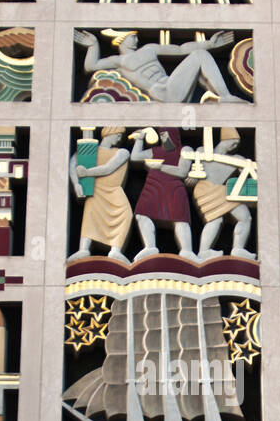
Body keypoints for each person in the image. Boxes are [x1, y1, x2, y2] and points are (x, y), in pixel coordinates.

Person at [74, 27, 250, 104]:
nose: (136, 39)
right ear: (121, 40)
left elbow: (180, 49)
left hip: (170, 86)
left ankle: (221, 97)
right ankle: (224, 96)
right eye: (132, 36)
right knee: (200, 57)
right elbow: (91, 66)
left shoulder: (149, 49)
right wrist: (93, 45)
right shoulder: (118, 62)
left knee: (200, 55)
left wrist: (209, 45)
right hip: (160, 93)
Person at [188, 128, 256, 260]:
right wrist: (190, 178)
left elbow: (249, 172)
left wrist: (247, 166)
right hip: (205, 188)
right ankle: (204, 251)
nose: (234, 145)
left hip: (222, 190)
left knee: (245, 217)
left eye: (237, 144)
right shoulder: (203, 151)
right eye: (232, 141)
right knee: (215, 219)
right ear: (223, 140)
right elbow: (193, 171)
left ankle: (238, 249)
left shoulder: (237, 159)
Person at [68, 127, 132, 264]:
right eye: (118, 134)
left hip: (113, 191)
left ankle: (115, 250)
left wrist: (86, 173)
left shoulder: (122, 152)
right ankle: (83, 249)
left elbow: (109, 168)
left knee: (126, 214)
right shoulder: (90, 150)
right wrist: (76, 184)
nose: (120, 138)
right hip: (96, 190)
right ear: (109, 133)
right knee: (90, 216)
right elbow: (73, 163)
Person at [129, 127, 194, 260]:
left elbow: (182, 171)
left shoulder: (184, 150)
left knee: (180, 218)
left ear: (175, 136)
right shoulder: (156, 150)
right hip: (153, 185)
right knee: (141, 214)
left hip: (174, 187)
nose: (164, 138)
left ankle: (187, 251)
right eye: (162, 135)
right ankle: (150, 247)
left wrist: (161, 167)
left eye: (166, 135)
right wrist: (139, 140)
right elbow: (135, 157)